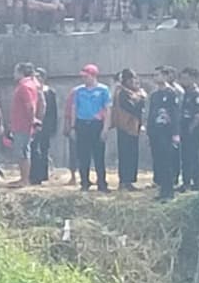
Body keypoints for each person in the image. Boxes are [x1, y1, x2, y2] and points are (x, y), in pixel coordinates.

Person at [68, 64, 112, 192]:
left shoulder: (103, 90)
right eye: (83, 77)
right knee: (83, 156)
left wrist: (105, 128)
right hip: (82, 124)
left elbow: (107, 109)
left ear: (93, 76)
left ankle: (102, 183)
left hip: (96, 124)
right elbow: (74, 108)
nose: (84, 79)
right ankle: (85, 182)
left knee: (99, 156)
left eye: (86, 76)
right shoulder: (79, 91)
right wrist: (72, 126)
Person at [147, 66, 182, 201]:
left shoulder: (172, 93)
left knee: (167, 162)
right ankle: (162, 191)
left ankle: (169, 192)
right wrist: (149, 131)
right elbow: (151, 114)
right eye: (154, 75)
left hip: (167, 132)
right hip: (156, 132)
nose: (156, 78)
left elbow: (175, 114)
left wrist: (175, 133)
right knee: (159, 162)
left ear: (165, 76)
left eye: (158, 75)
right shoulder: (155, 95)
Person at [111, 68, 146, 191]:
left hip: (133, 127)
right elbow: (132, 108)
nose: (133, 82)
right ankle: (124, 181)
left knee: (132, 154)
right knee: (125, 154)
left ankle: (129, 180)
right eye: (131, 79)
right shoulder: (122, 93)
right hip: (125, 126)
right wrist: (141, 99)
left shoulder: (131, 92)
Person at [9, 62, 41, 187]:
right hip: (20, 123)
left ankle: (24, 179)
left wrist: (31, 120)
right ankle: (23, 178)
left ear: (21, 72)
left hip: (23, 124)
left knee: (23, 151)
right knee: (22, 151)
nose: (14, 74)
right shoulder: (29, 85)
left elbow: (30, 106)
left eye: (15, 71)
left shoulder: (25, 86)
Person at [178, 67, 199, 192]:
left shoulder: (197, 94)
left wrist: (191, 128)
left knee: (196, 156)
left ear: (193, 79)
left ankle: (197, 183)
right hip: (185, 129)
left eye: (186, 78)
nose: (183, 81)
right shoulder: (186, 93)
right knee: (186, 157)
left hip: (194, 131)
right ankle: (186, 182)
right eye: (182, 78)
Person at [30, 68, 59, 185]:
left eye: (38, 76)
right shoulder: (32, 90)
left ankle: (43, 174)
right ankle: (34, 174)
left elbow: (53, 112)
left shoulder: (50, 92)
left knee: (44, 150)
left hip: (46, 125)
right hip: (35, 124)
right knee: (34, 149)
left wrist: (52, 127)